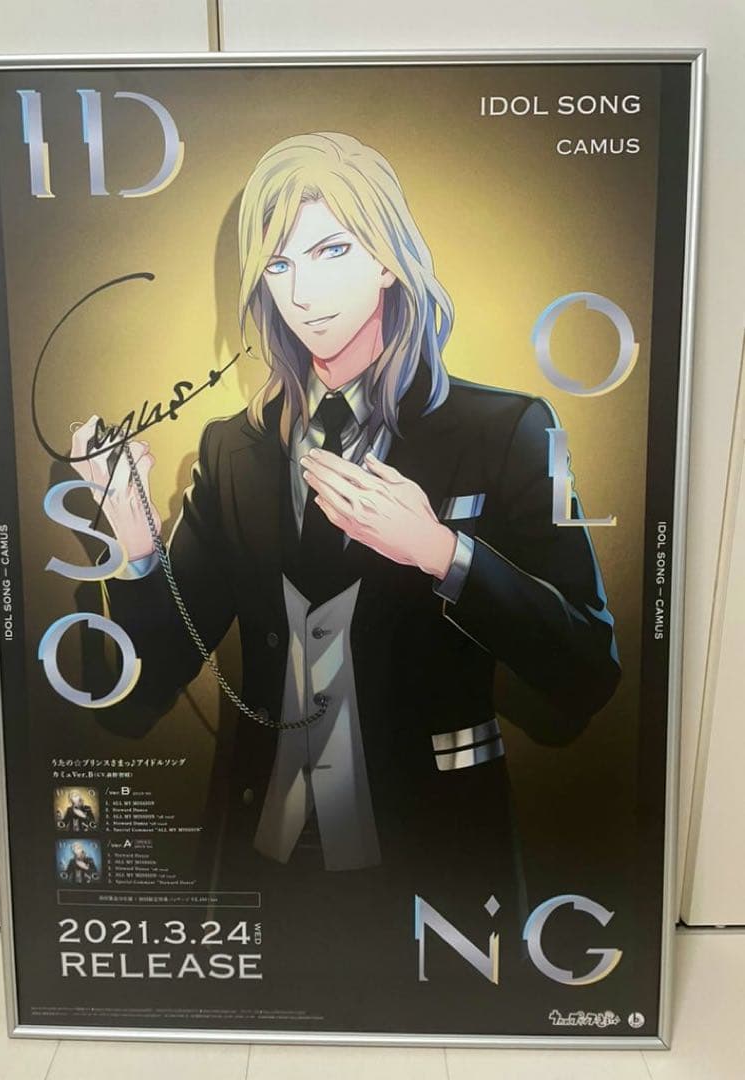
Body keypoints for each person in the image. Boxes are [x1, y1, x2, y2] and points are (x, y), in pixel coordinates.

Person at [71, 132, 620, 1028]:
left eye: (331, 250)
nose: (303, 292)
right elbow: (136, 697)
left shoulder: (510, 428)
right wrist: (134, 541)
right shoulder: (234, 451)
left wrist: (443, 554)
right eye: (279, 263)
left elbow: (586, 675)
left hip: (438, 864)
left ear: (390, 261)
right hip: (263, 869)